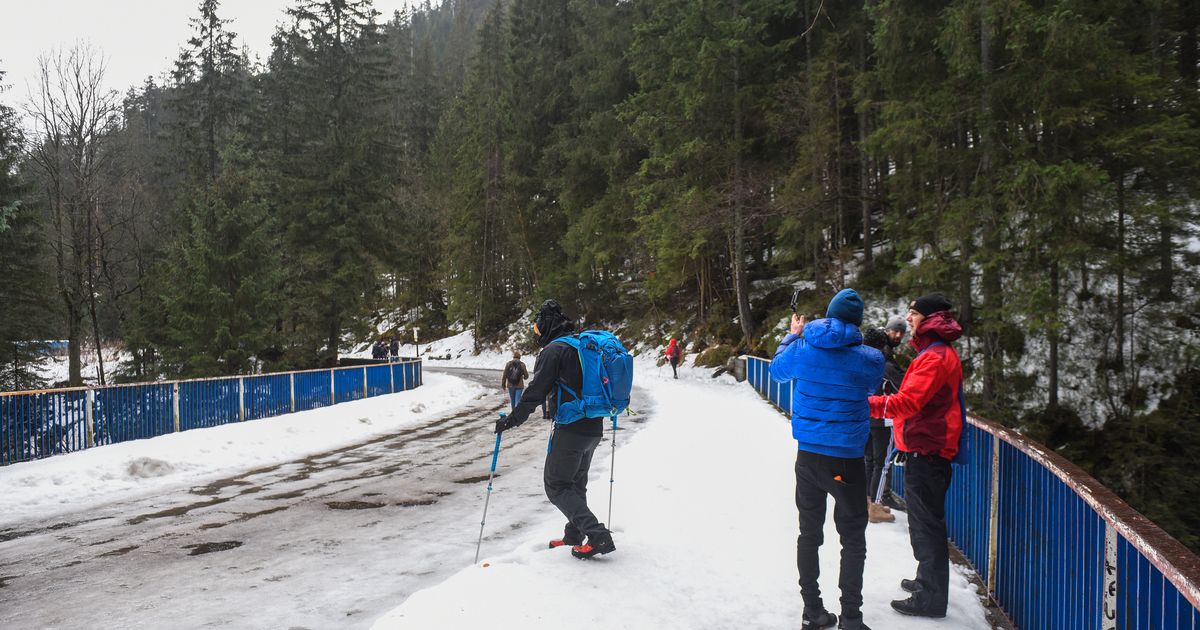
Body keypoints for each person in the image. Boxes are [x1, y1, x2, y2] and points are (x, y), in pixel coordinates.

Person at [769, 288, 884, 630]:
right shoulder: (871, 358)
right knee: (852, 539)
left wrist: (791, 336)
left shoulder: (803, 346)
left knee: (809, 533)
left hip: (808, 458)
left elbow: (776, 371)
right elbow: (872, 389)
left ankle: (812, 611)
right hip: (847, 460)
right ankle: (851, 617)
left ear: (829, 315)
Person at [868, 292, 964, 619]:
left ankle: (931, 597)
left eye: (912, 313)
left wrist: (866, 404)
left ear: (929, 317)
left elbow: (908, 402)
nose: (908, 319)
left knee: (927, 525)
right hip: (926, 448)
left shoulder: (935, 357)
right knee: (925, 522)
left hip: (928, 450)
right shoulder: (934, 352)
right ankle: (927, 582)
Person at [494, 300, 615, 559]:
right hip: (593, 426)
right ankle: (574, 535)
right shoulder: (581, 345)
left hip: (571, 427)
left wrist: (512, 420)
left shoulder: (554, 350)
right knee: (575, 483)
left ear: (545, 325)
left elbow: (535, 392)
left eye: (537, 328)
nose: (536, 333)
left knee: (556, 485)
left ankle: (597, 535)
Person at [860, 329, 901, 524]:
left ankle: (867, 501)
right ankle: (875, 506)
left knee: (868, 460)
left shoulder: (859, 361)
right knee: (882, 464)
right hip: (883, 419)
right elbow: (902, 389)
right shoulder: (885, 366)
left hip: (865, 416)